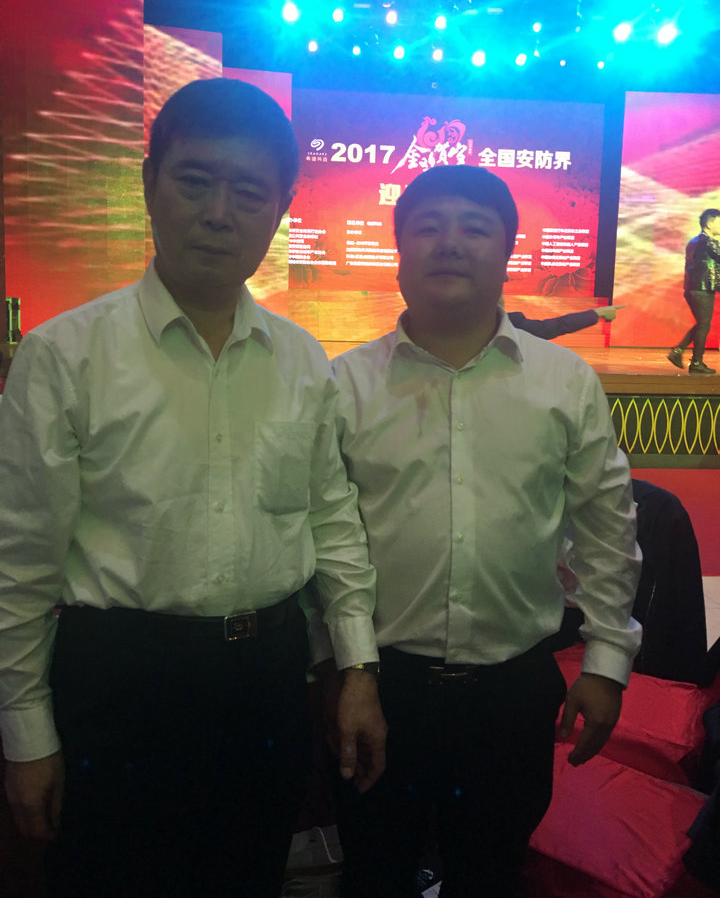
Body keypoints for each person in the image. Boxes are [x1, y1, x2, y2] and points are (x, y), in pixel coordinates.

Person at [0, 78, 386, 898]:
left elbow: (331, 519)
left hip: (268, 679)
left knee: (246, 878)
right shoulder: (65, 356)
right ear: (151, 185)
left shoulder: (301, 360)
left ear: (280, 210)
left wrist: (355, 666)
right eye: (195, 181)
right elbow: (19, 561)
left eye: (248, 193)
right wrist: (26, 732)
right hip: (121, 680)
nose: (218, 213)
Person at [328, 165, 642, 898]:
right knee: (374, 873)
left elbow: (606, 523)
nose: (450, 243)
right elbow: (331, 540)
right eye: (428, 227)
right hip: (382, 686)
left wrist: (606, 661)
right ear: (399, 249)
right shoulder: (344, 386)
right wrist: (349, 673)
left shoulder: (564, 382)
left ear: (506, 251)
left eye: (474, 228)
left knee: (493, 874)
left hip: (513, 691)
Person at [668, 208, 720, 375]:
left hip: (694, 289)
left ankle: (679, 352)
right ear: (710, 223)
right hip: (702, 289)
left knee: (702, 324)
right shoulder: (708, 241)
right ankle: (696, 362)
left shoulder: (695, 241)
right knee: (704, 325)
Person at [507, 303, 625, 340]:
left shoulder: (508, 320)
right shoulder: (508, 321)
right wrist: (596, 313)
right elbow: (548, 329)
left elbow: (549, 328)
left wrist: (595, 314)